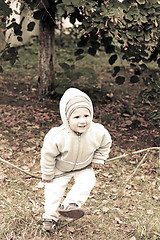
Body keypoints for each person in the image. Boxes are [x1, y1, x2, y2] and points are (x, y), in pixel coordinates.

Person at [41, 88, 112, 231]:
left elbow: (106, 144)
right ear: (66, 118)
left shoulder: (98, 132)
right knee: (53, 191)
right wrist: (48, 173)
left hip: (84, 167)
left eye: (86, 115)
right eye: (76, 117)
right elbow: (48, 155)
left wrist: (99, 158)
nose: (83, 121)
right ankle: (50, 217)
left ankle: (71, 204)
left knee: (88, 181)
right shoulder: (57, 135)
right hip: (61, 168)